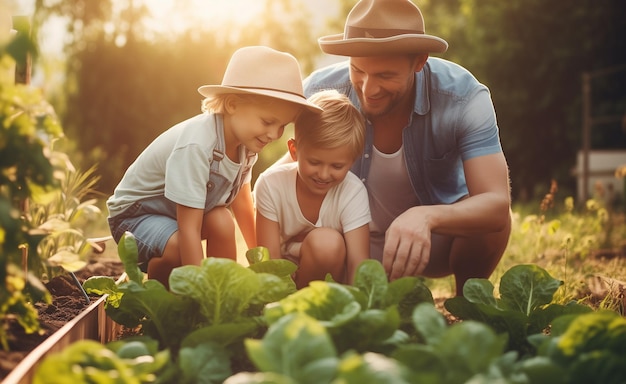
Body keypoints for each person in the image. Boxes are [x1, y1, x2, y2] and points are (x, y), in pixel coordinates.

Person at [301, 0, 512, 296]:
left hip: (433, 242)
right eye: (358, 70)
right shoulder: (318, 93)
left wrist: (427, 216)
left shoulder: (463, 98)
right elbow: (287, 169)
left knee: (492, 227)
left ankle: (470, 303)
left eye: (385, 76)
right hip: (349, 243)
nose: (368, 89)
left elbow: (496, 204)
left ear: (419, 61)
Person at [106, 46, 322, 288]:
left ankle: (225, 290)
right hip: (136, 216)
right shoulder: (198, 145)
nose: (274, 134)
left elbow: (242, 203)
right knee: (179, 246)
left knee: (221, 219)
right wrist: (201, 292)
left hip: (175, 218)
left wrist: (264, 264)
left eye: (283, 125)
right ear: (232, 105)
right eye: (268, 122)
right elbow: (189, 229)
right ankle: (165, 288)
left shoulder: (246, 145)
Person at [254, 89, 370, 288]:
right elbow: (269, 261)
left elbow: (358, 265)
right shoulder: (270, 185)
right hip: (284, 281)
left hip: (330, 286)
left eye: (337, 166)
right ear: (294, 151)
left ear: (352, 161)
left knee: (326, 243)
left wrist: (357, 311)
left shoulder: (353, 193)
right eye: (314, 162)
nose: (324, 175)